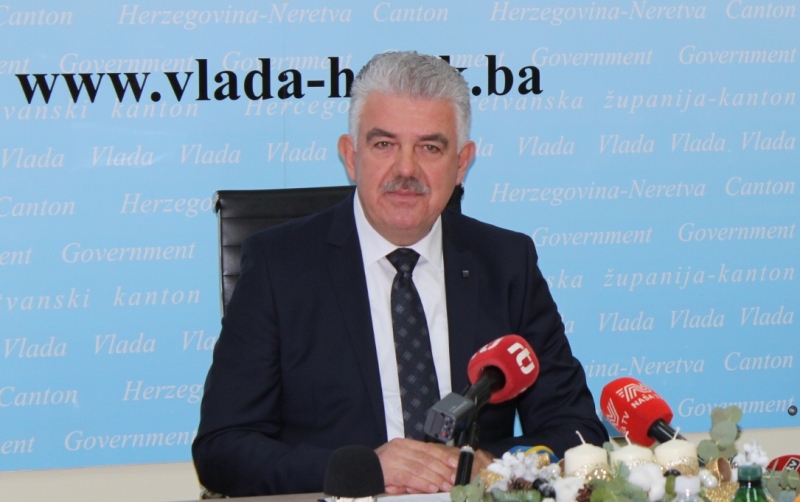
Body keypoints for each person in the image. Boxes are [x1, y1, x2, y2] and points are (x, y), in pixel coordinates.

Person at [192, 51, 607, 497]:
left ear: (462, 163)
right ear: (351, 156)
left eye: (430, 148)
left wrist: (489, 465)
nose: (406, 169)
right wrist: (364, 469)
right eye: (384, 144)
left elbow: (578, 431)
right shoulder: (279, 266)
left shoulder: (506, 262)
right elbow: (222, 450)